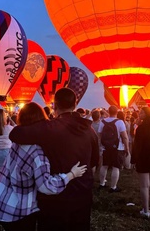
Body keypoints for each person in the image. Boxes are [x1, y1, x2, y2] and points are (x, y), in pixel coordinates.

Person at [9, 88, 99, 231]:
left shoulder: (49, 128)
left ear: (54, 106)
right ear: (75, 105)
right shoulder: (90, 130)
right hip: (82, 194)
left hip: (55, 197)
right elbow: (94, 162)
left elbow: (15, 134)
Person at [0, 102, 87, 231]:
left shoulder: (17, 143)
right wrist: (71, 174)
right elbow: (46, 186)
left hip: (2, 204)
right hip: (20, 211)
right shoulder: (36, 152)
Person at [131, 107, 150, 218]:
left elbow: (137, 146)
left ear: (147, 114)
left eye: (142, 113)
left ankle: (145, 210)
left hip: (144, 158)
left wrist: (133, 159)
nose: (140, 114)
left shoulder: (140, 129)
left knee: (145, 186)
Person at [98, 105, 129, 192]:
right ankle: (113, 187)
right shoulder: (120, 122)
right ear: (117, 112)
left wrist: (100, 146)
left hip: (105, 147)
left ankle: (101, 184)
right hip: (117, 148)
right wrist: (127, 148)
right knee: (116, 167)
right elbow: (125, 137)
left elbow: (99, 135)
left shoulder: (102, 121)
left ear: (108, 111)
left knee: (104, 166)